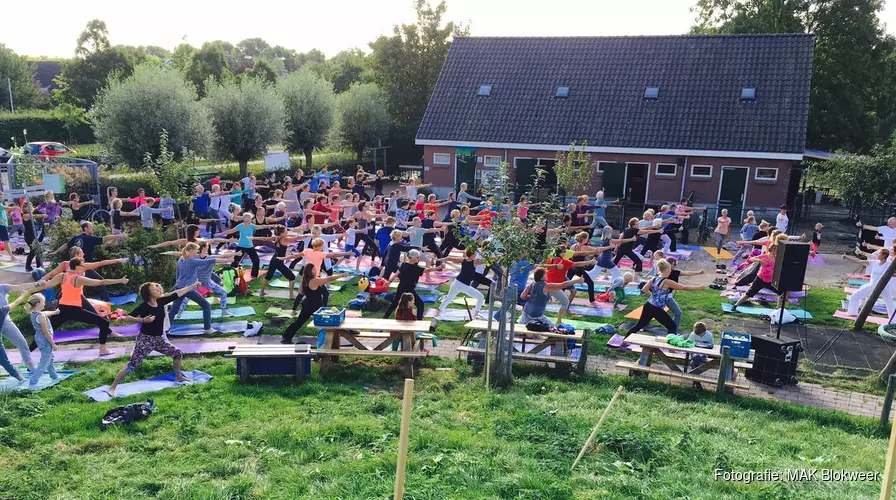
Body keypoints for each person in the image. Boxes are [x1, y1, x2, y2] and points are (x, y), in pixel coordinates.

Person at [107, 280, 202, 396]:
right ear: (149, 293)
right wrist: (142, 320)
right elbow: (127, 317)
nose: (158, 289)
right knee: (133, 364)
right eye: (154, 289)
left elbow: (177, 293)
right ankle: (112, 387)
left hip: (159, 339)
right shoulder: (144, 307)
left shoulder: (161, 301)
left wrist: (193, 286)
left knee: (177, 353)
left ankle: (179, 377)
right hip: (145, 340)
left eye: (157, 288)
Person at [44, 258, 129, 355]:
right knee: (104, 323)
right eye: (82, 265)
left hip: (63, 308)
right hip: (74, 309)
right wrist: (120, 281)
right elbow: (101, 282)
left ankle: (29, 352)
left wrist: (32, 287)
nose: (84, 267)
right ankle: (102, 349)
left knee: (46, 330)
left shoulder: (62, 276)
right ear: (76, 266)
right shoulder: (78, 279)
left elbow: (46, 285)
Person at [50, 221, 128, 302]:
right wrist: (119, 235)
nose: (92, 229)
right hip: (84, 266)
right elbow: (105, 238)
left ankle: (57, 299)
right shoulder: (90, 238)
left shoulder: (76, 237)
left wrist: (55, 252)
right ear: (85, 228)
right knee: (100, 280)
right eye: (91, 227)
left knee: (69, 281)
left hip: (74, 265)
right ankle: (106, 301)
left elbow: (66, 245)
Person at [626, 259, 707, 336]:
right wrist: (699, 287)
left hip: (648, 305)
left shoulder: (654, 279)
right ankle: (670, 344)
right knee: (672, 327)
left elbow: (644, 289)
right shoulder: (667, 282)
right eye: (669, 270)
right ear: (666, 270)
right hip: (656, 309)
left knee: (639, 325)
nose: (670, 271)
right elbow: (684, 287)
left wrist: (654, 297)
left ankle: (624, 341)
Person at [281, 266, 349, 344]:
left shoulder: (305, 280)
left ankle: (287, 336)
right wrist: (341, 275)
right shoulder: (314, 281)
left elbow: (301, 292)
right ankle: (330, 339)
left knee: (299, 322)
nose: (315, 270)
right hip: (314, 306)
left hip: (307, 304)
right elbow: (328, 279)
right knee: (326, 321)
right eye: (313, 269)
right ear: (309, 272)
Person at [170, 242, 233, 317]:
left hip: (200, 282)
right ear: (203, 248)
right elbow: (212, 259)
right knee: (187, 298)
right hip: (197, 283)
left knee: (186, 298)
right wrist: (228, 260)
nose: (208, 247)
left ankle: (179, 313)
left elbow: (179, 270)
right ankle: (178, 313)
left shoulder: (191, 258)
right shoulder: (193, 259)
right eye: (207, 246)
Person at [383, 249, 444, 320]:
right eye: (417, 257)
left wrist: (389, 281)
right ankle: (419, 322)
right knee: (420, 304)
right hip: (408, 289)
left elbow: (397, 273)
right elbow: (427, 270)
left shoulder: (404, 264)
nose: (419, 259)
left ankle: (385, 317)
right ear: (412, 258)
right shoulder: (415, 268)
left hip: (401, 287)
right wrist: (439, 267)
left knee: (394, 304)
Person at [0, 281, 47, 373]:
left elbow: (20, 286)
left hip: (6, 322)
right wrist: (22, 296)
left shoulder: (2, 288)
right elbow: (14, 304)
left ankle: (31, 368)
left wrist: (37, 284)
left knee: (22, 343)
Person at [166, 243, 214, 333]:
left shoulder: (181, 259)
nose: (198, 251)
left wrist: (179, 284)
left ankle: (166, 329)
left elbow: (178, 274)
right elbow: (207, 261)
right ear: (191, 250)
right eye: (197, 249)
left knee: (174, 309)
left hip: (180, 287)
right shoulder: (191, 260)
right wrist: (227, 258)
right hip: (188, 289)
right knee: (206, 305)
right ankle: (208, 328)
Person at [730, 235, 784, 313]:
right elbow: (752, 259)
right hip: (760, 279)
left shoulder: (777, 259)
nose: (778, 252)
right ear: (773, 250)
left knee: (781, 292)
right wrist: (760, 261)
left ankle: (778, 310)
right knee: (749, 294)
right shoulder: (764, 256)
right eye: (777, 250)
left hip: (770, 280)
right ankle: (735, 305)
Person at [843, 250, 895, 319]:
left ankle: (894, 320)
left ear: (884, 256)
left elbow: (894, 273)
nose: (877, 255)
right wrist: (847, 257)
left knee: (889, 303)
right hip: (872, 285)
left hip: (884, 287)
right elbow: (859, 261)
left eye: (879, 254)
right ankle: (852, 314)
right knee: (854, 296)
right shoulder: (874, 263)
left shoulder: (889, 264)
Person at [436, 247, 486, 319]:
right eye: (475, 254)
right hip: (463, 285)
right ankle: (476, 315)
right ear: (472, 255)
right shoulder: (475, 262)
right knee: (480, 297)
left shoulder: (464, 260)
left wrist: (438, 260)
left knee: (449, 298)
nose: (476, 255)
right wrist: (499, 256)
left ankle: (438, 313)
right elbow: (487, 260)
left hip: (456, 283)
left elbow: (449, 258)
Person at [220, 213, 274, 279]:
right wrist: (223, 233)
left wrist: (271, 225)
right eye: (250, 219)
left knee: (256, 260)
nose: (251, 220)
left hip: (249, 246)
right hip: (241, 246)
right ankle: (230, 274)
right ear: (246, 219)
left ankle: (254, 275)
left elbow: (261, 226)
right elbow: (231, 231)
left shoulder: (252, 226)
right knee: (235, 261)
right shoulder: (240, 226)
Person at [24, 294, 59, 389]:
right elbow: (46, 332)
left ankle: (54, 376)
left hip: (39, 339)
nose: (45, 303)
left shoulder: (34, 314)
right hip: (45, 340)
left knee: (49, 359)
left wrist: (54, 312)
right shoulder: (41, 317)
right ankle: (33, 381)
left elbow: (45, 313)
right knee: (44, 362)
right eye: (43, 302)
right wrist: (53, 344)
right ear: (39, 303)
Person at [257, 226, 302, 298]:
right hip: (278, 261)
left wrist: (253, 238)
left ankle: (262, 292)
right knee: (292, 277)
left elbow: (264, 238)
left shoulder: (276, 238)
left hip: (274, 259)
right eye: (285, 231)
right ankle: (291, 295)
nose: (287, 232)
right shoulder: (285, 239)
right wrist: (307, 236)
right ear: (282, 233)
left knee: (268, 276)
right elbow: (296, 238)